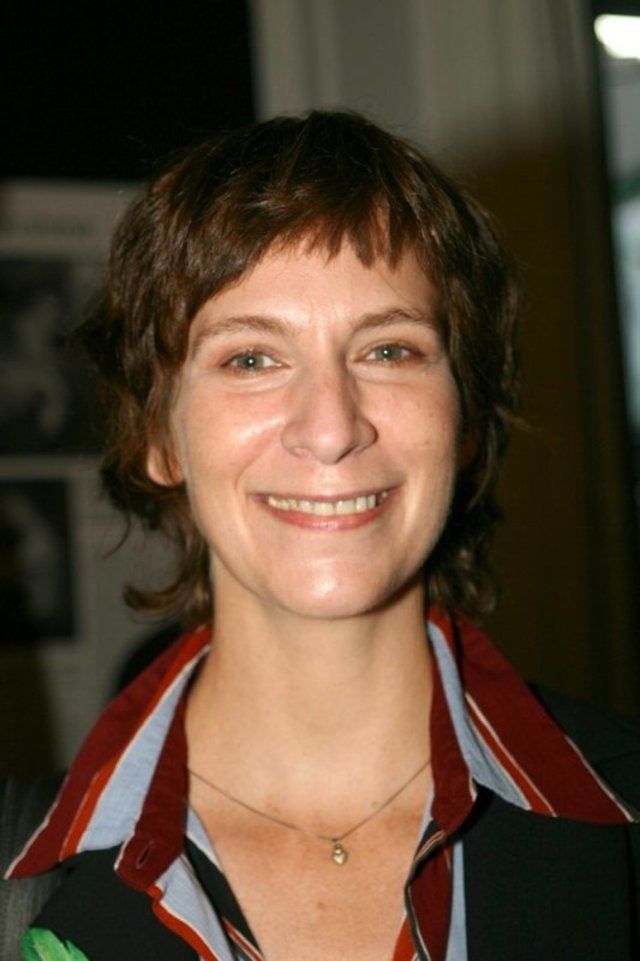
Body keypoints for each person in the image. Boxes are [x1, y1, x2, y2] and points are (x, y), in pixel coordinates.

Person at [3, 110, 639, 961]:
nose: (332, 428)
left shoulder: (624, 818)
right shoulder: (23, 886)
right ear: (157, 434)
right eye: (251, 359)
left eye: (389, 350)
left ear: (466, 417)